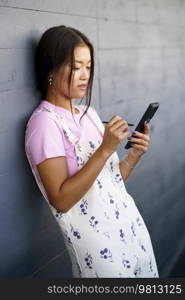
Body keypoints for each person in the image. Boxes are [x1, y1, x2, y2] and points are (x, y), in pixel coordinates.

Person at [25, 25, 159, 278]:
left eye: (88, 66)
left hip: (132, 231)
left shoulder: (90, 115)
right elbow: (61, 200)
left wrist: (133, 156)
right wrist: (105, 149)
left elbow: (109, 182)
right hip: (101, 252)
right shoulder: (44, 123)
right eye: (77, 67)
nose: (85, 75)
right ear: (50, 70)